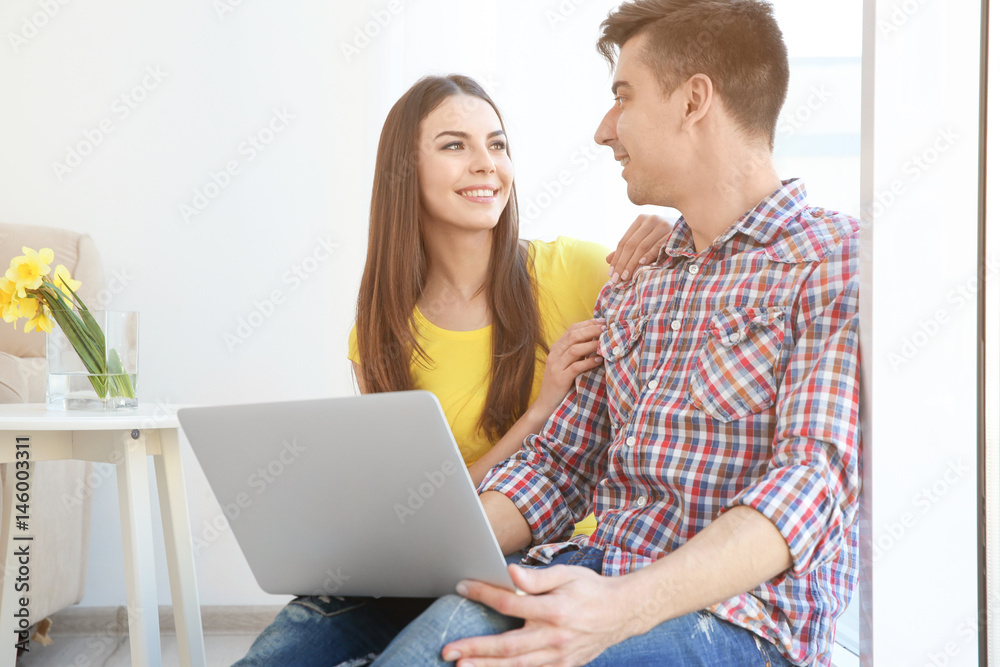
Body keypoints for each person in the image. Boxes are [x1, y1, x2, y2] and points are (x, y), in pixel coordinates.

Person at [368, 1, 861, 666]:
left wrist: (620, 608)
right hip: (588, 570)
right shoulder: (636, 280)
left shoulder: (835, 260)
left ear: (693, 101)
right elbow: (557, 465)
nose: (605, 130)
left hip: (737, 621)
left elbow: (812, 483)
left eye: (622, 97)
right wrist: (407, 544)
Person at [233, 75, 670, 666]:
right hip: (428, 567)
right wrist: (539, 411)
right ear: (403, 172)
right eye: (454, 145)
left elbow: (677, 323)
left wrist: (666, 239)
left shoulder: (575, 271)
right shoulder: (381, 332)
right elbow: (419, 511)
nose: (486, 164)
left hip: (555, 559)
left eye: (496, 144)